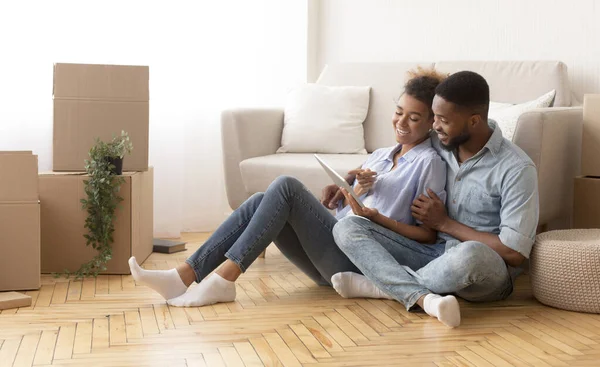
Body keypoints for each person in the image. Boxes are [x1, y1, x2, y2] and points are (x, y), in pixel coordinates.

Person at [127, 69, 447, 307]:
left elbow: (428, 236)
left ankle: (225, 278)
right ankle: (181, 277)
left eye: (415, 118)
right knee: (259, 200)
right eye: (398, 112)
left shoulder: (428, 163)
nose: (401, 122)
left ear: (433, 121)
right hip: (333, 255)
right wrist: (343, 194)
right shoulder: (380, 156)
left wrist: (374, 216)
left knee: (285, 187)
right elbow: (353, 211)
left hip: (359, 262)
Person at [332, 71, 539, 328]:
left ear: (474, 121)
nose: (435, 125)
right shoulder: (440, 139)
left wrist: (445, 224)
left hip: (481, 271)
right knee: (348, 226)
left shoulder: (517, 169)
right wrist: (345, 181)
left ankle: (382, 286)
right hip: (428, 254)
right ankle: (417, 294)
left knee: (472, 254)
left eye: (442, 119)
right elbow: (393, 154)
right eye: (434, 117)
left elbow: (515, 253)